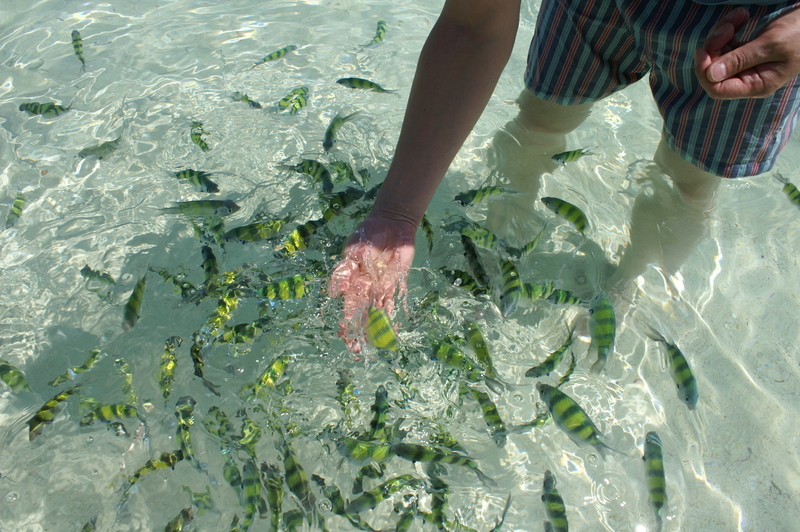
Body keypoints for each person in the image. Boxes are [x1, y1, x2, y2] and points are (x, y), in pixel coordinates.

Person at [328, 0, 800, 351]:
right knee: (539, 119)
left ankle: (626, 284)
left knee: (686, 181)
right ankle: (500, 241)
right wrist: (396, 212)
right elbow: (472, 24)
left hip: (758, 21)